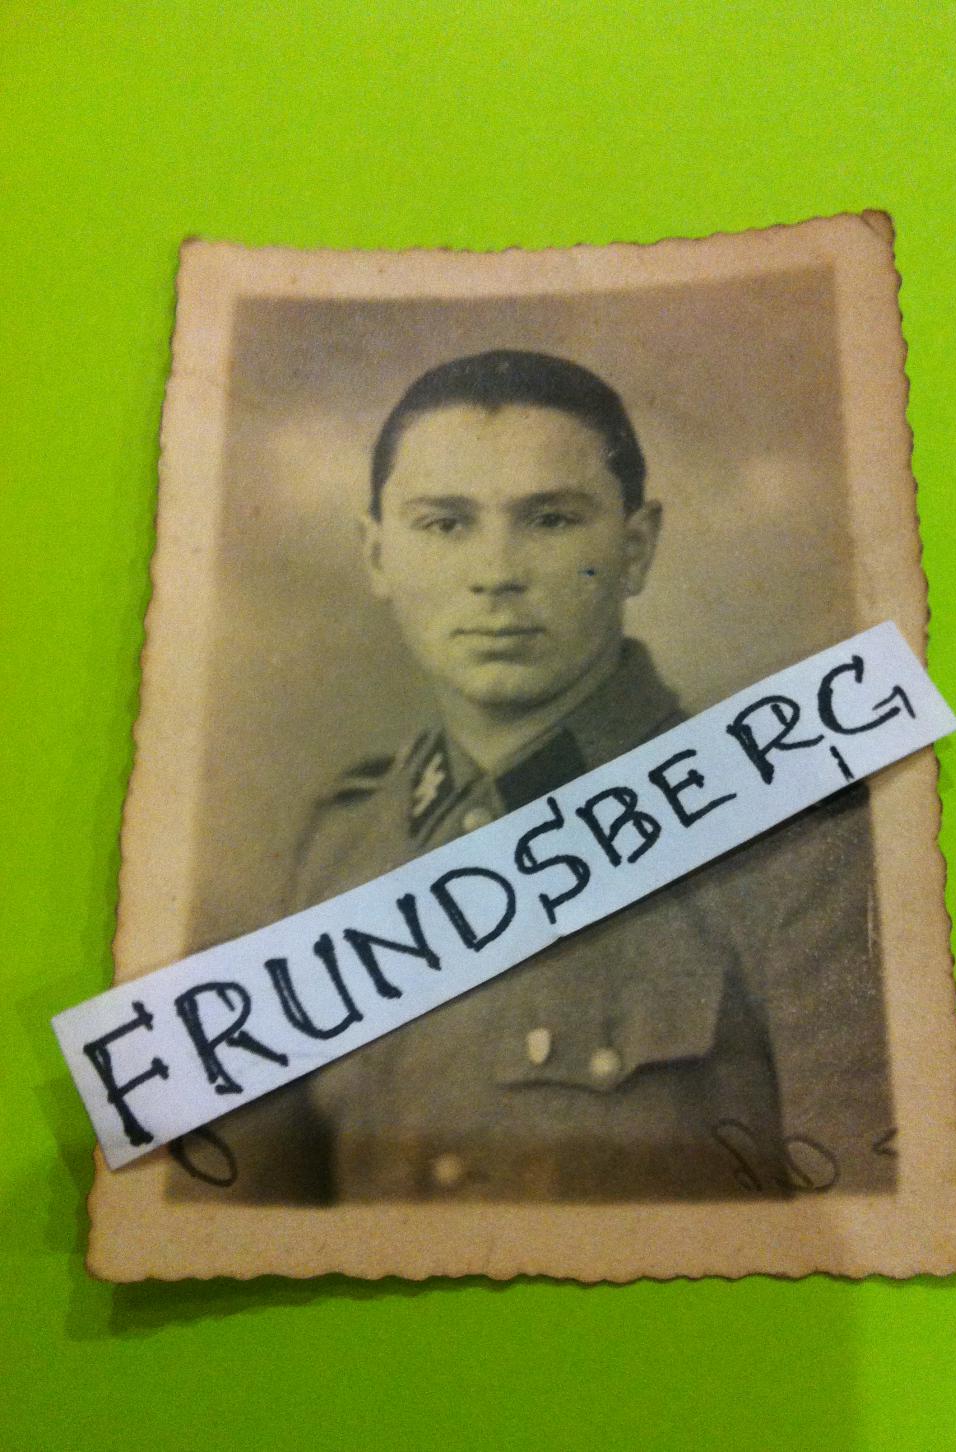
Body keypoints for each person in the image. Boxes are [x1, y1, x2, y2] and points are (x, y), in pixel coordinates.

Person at [172, 349, 893, 1204]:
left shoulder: (796, 840)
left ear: (634, 548)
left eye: (549, 520)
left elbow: (868, 1236)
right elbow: (248, 1223)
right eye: (444, 524)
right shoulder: (342, 843)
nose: (496, 575)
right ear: (375, 553)